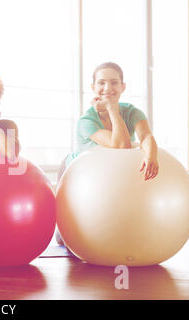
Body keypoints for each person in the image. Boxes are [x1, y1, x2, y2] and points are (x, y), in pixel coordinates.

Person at [56, 62, 159, 247]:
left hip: (108, 175)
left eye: (114, 83)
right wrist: (112, 107)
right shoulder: (86, 121)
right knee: (72, 235)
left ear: (123, 86)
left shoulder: (132, 112)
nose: (107, 88)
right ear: (93, 87)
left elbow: (146, 136)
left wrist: (151, 155)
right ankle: (62, 231)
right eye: (101, 83)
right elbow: (119, 145)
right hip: (75, 172)